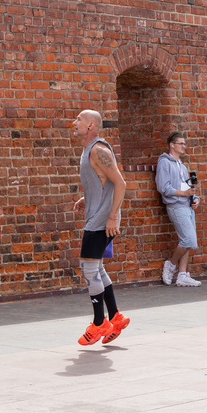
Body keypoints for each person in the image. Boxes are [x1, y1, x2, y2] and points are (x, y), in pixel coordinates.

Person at [71, 109, 130, 345]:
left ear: (90, 126)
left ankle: (99, 324)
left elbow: (120, 183)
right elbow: (102, 181)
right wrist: (88, 198)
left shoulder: (98, 150)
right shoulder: (89, 150)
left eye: (79, 120)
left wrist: (113, 216)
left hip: (101, 222)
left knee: (88, 268)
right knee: (97, 269)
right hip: (97, 217)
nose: (74, 123)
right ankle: (116, 317)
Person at [155, 132, 201, 287]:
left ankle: (182, 275)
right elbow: (163, 187)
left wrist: (194, 199)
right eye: (180, 143)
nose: (183, 146)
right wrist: (184, 193)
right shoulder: (164, 163)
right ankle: (171, 265)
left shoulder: (182, 165)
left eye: (184, 143)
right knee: (189, 239)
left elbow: (187, 187)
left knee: (187, 241)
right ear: (172, 145)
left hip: (187, 206)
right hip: (176, 206)